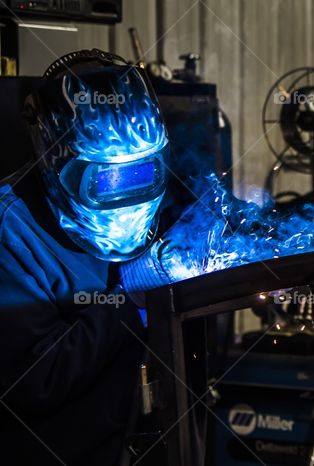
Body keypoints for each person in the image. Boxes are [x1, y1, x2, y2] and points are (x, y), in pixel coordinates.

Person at [0, 49, 168, 465]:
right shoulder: (11, 233)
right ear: (56, 160)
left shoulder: (168, 202)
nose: (125, 198)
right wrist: (129, 301)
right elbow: (33, 381)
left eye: (140, 171)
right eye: (106, 178)